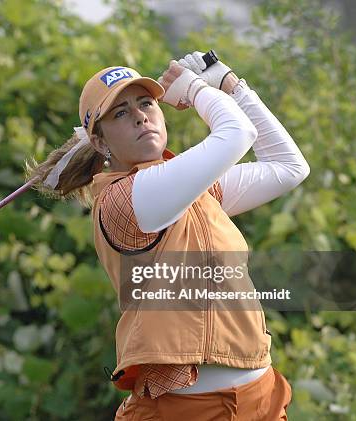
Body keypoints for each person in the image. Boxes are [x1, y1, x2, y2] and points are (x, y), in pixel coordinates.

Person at [26, 51, 310, 420]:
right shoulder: (125, 199)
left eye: (146, 103)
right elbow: (237, 134)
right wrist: (193, 89)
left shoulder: (194, 189)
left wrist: (230, 85)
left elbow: (289, 167)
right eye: (121, 113)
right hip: (181, 411)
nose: (141, 115)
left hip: (261, 400)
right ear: (99, 143)